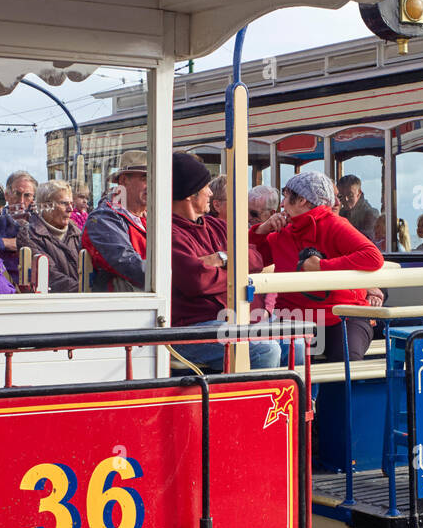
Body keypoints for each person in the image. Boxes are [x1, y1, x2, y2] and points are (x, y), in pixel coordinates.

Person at [251, 170, 383, 362]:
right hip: (294, 319)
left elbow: (373, 257)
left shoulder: (334, 225)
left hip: (343, 316)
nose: (281, 204)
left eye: (286, 197)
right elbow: (249, 261)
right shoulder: (282, 232)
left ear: (303, 200)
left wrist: (321, 266)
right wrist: (261, 230)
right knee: (288, 357)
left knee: (346, 362)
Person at [169, 153, 278, 371]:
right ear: (191, 194)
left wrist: (221, 258)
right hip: (192, 328)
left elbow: (255, 257)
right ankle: (255, 405)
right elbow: (196, 281)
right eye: (205, 187)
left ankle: (297, 404)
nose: (210, 193)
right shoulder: (169, 233)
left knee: (297, 346)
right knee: (266, 349)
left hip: (231, 321)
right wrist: (238, 272)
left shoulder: (216, 226)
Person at [82, 149, 148, 292]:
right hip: (123, 307)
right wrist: (178, 271)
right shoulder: (103, 219)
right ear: (124, 180)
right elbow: (129, 264)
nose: (153, 185)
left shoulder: (149, 217)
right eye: (145, 178)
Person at [21, 180, 82, 292]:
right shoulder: (29, 235)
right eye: (64, 203)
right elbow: (50, 276)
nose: (71, 209)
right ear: (45, 206)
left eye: (71, 204)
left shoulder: (77, 234)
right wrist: (85, 291)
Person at [0, 171, 37, 276]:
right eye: (17, 194)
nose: (21, 201)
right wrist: (6, 243)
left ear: (33, 199)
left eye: (27, 195)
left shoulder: (38, 224)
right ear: (6, 195)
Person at [336, 174, 378, 242]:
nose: (346, 199)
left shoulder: (371, 214)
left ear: (359, 193)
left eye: (350, 195)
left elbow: (366, 241)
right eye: (341, 196)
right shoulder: (341, 214)